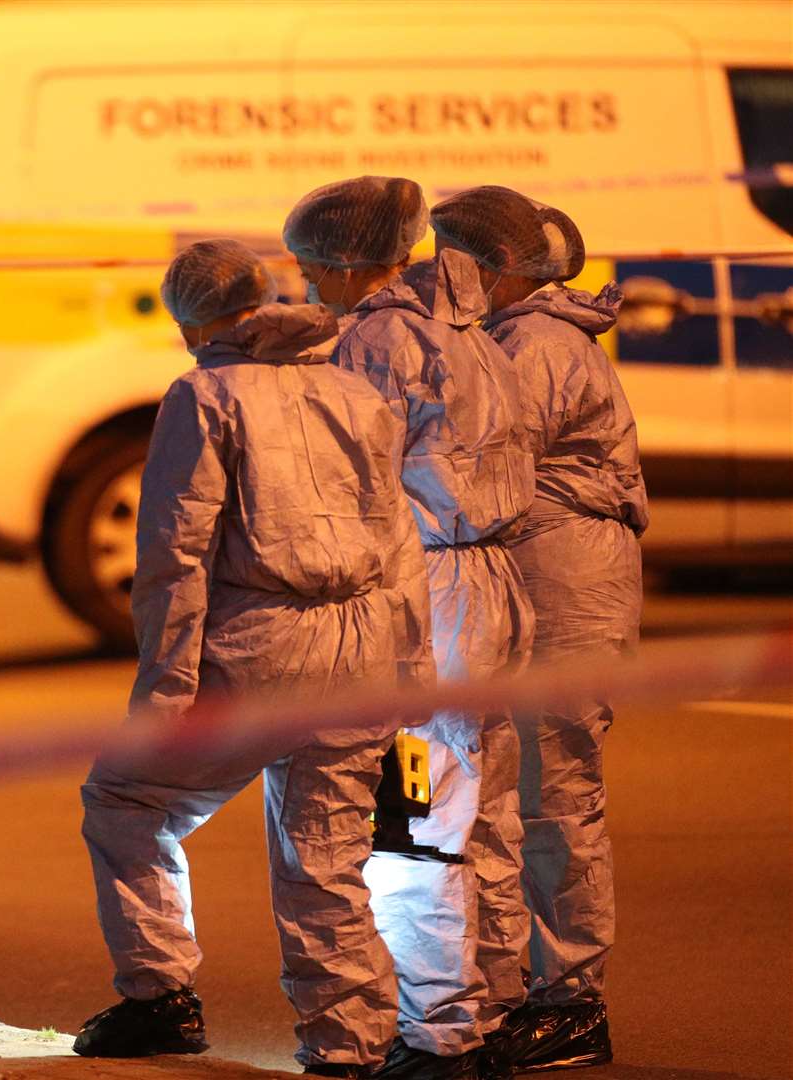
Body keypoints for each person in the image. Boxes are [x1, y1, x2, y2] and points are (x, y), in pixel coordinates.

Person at [75, 239, 435, 1076]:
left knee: (126, 800)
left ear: (197, 320)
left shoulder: (203, 397)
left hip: (258, 658)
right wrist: (411, 669)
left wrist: (164, 698)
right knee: (325, 856)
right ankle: (351, 1045)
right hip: (362, 653)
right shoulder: (354, 389)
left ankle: (158, 994)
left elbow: (176, 558)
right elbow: (397, 537)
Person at [285, 176, 537, 1079]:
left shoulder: (374, 344)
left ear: (348, 262)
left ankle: (439, 1033)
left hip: (430, 593)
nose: (309, 286)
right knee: (487, 806)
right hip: (494, 579)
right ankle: (497, 1003)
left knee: (416, 815)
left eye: (312, 269)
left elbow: (349, 476)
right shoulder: (460, 333)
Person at [430, 186, 646, 1073]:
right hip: (540, 575)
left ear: (489, 265)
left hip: (567, 586)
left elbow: (481, 462)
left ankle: (573, 1002)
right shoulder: (515, 339)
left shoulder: (539, 346)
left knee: (557, 796)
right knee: (513, 795)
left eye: (448, 257)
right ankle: (523, 991)